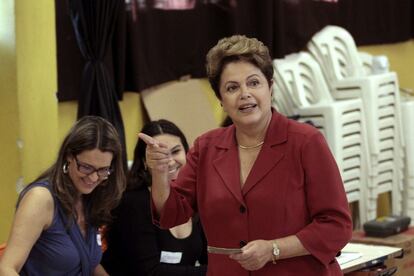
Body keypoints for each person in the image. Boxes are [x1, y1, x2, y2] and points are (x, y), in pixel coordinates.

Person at [139, 35, 352, 275]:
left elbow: (336, 226)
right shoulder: (206, 147)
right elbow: (171, 215)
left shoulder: (306, 142)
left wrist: (274, 249)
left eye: (254, 83)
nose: (244, 94)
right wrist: (159, 173)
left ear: (270, 88)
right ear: (220, 99)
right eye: (232, 87)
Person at [0, 116, 126, 276]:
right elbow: (7, 268)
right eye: (86, 167)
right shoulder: (40, 199)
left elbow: (87, 262)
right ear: (68, 155)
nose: (94, 178)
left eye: (103, 170)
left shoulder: (90, 198)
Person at [101, 119, 208, 275]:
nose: (170, 161)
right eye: (159, 155)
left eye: (176, 151)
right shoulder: (132, 202)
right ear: (145, 161)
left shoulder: (196, 198)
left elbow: (210, 256)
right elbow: (149, 272)